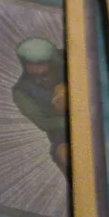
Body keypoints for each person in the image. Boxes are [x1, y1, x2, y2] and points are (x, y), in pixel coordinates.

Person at [11, 37, 68, 174]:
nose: (36, 68)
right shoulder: (22, 91)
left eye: (41, 63)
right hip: (62, 134)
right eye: (30, 63)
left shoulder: (67, 60)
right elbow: (44, 123)